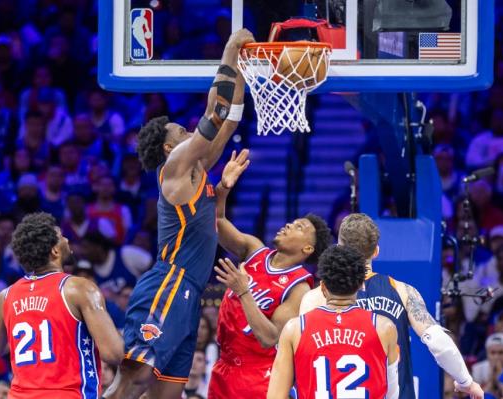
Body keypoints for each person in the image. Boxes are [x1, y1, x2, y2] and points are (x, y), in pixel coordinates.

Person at [103, 28, 255, 399]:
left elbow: (230, 119)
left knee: (166, 394)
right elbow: (214, 114)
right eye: (181, 130)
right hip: (168, 283)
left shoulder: (198, 169)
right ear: (170, 146)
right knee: (133, 379)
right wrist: (230, 51)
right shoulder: (173, 166)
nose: (189, 130)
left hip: (188, 290)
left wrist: (221, 191)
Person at [300, 213, 484, 399]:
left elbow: (302, 362)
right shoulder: (402, 291)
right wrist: (466, 382)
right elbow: (438, 341)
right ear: (376, 251)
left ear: (338, 248)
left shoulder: (316, 297)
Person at [207, 150, 332, 398]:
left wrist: (243, 291)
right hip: (224, 367)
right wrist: (223, 187)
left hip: (259, 376)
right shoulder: (255, 250)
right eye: (292, 221)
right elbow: (217, 220)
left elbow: (269, 337)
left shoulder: (299, 288)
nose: (288, 224)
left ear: (307, 249)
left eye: (299, 227)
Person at [0, 212, 123, 398]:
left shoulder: (5, 296)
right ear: (55, 251)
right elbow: (114, 354)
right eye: (61, 236)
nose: (66, 239)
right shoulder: (79, 288)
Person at [268, 245, 399, 399]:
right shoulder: (384, 327)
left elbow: (275, 396)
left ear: (322, 287)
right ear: (360, 285)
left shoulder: (295, 329)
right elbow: (392, 394)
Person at [471, 333, 503, 398]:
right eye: (493, 353)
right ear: (487, 353)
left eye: (501, 352)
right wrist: (491, 380)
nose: (496, 357)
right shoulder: (478, 369)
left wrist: (500, 378)